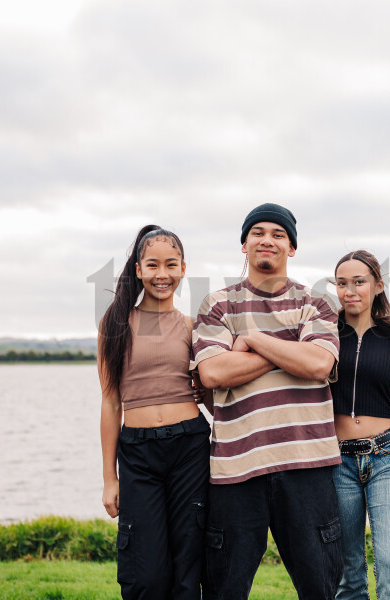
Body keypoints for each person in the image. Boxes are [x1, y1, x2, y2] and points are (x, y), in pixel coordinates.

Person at [193, 203, 343, 599]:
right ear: (244, 244)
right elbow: (213, 373)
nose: (267, 240)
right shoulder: (217, 304)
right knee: (225, 588)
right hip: (237, 466)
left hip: (307, 463)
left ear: (291, 248)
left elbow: (318, 364)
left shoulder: (317, 303)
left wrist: (253, 339)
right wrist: (290, 347)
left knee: (320, 586)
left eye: (278, 234)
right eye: (257, 232)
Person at [98, 225, 212, 600]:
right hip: (138, 454)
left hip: (189, 448)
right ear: (138, 269)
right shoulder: (115, 324)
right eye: (152, 265)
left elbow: (211, 392)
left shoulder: (193, 327)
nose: (162, 274)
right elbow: (110, 402)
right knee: (145, 574)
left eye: (170, 265)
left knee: (188, 564)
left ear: (183, 269)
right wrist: (109, 478)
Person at [330, 250, 390, 600]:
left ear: (378, 286)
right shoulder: (325, 333)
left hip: (387, 456)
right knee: (348, 571)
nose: (349, 291)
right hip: (337, 459)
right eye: (341, 283)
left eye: (358, 282)